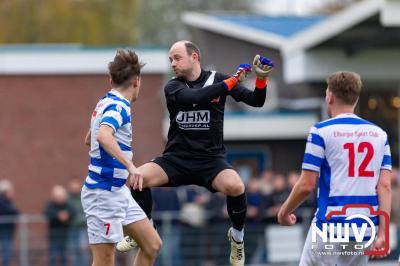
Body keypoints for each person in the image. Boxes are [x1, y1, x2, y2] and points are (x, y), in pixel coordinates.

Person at [117, 40, 274, 266]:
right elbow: (194, 99)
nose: (173, 63)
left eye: (177, 57)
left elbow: (256, 101)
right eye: (170, 59)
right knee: (135, 179)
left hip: (210, 161)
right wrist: (231, 82)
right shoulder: (173, 86)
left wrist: (261, 79)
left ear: (194, 57)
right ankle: (144, 228)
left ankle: (237, 239)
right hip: (176, 159)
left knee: (237, 187)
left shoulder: (218, 79)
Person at [277, 71, 392, 266]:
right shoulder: (380, 135)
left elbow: (306, 185)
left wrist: (283, 212)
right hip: (364, 230)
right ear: (355, 98)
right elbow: (385, 186)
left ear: (330, 96)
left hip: (330, 228)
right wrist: (383, 234)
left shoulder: (321, 131)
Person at [81, 48, 162, 266]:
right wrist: (130, 166)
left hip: (118, 191)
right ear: (137, 81)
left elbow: (90, 138)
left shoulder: (105, 102)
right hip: (103, 193)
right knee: (105, 261)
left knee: (152, 244)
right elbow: (103, 135)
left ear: (111, 79)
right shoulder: (119, 106)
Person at [44, 185, 74, 266]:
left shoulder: (67, 205)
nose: (60, 198)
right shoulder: (50, 205)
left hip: (64, 235)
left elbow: (73, 212)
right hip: (53, 236)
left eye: (61, 196)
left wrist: (67, 215)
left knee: (64, 257)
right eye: (58, 197)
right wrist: (58, 215)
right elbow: (47, 213)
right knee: (53, 257)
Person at [67, 178, 89, 266]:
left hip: (83, 228)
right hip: (71, 228)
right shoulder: (67, 198)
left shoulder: (84, 196)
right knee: (73, 250)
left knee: (83, 249)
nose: (75, 187)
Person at [0, 180, 19, 266]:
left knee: (7, 252)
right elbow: (14, 212)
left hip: (7, 231)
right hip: (4, 231)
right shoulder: (2, 202)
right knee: (6, 252)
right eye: (10, 191)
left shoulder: (7, 202)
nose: (12, 193)